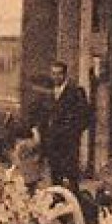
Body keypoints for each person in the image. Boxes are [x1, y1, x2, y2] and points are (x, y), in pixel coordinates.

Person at [33, 60, 91, 193]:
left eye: (59, 74)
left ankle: (75, 204)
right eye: (53, 74)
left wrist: (73, 133)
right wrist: (41, 133)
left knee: (71, 176)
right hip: (52, 142)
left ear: (65, 75)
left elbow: (85, 117)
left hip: (68, 143)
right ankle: (57, 202)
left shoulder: (76, 92)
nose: (56, 77)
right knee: (55, 175)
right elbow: (42, 115)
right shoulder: (48, 93)